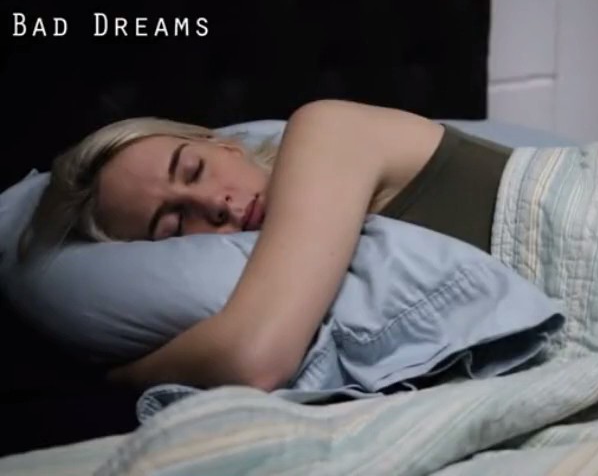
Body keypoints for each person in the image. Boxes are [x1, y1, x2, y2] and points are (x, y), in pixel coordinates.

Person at [18, 99, 514, 391]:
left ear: (222, 144)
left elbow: (255, 360)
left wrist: (123, 376)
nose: (213, 204)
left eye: (194, 170)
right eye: (174, 225)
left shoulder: (324, 129)